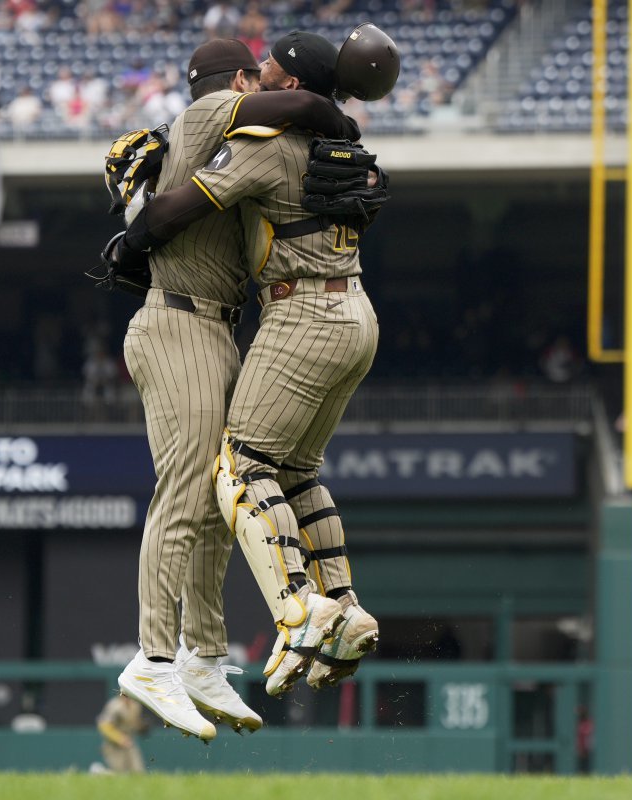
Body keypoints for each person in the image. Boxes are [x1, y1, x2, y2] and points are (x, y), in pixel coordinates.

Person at [107, 27, 397, 698]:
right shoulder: (347, 148)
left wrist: (135, 233)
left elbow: (187, 204)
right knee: (298, 472)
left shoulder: (264, 145)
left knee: (239, 465)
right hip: (357, 313)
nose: (256, 79)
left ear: (290, 83)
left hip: (302, 315)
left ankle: (298, 608)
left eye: (266, 72)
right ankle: (345, 604)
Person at [94, 694, 149, 774]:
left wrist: (140, 726)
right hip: (113, 745)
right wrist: (119, 738)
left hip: (129, 742)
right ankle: (98, 772)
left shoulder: (135, 705)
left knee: (138, 771)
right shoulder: (115, 706)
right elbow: (104, 725)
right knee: (118, 773)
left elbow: (133, 723)